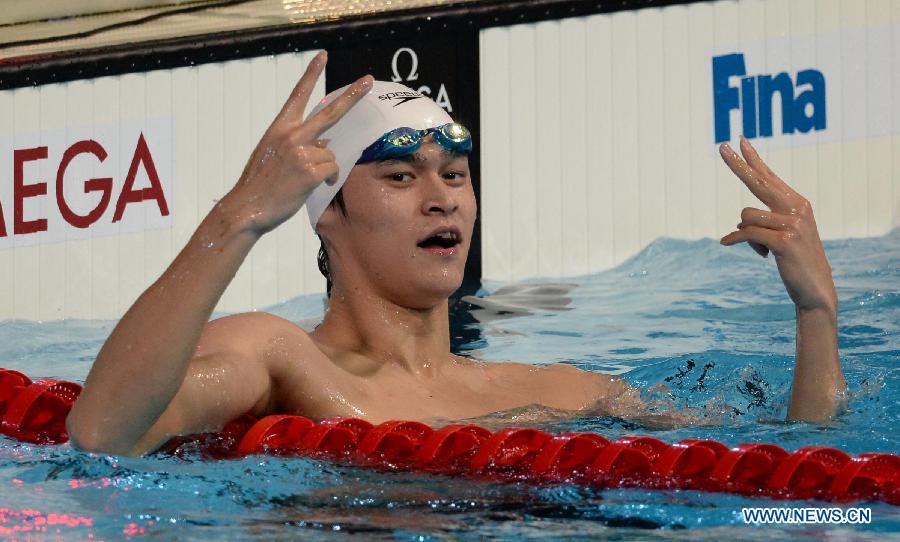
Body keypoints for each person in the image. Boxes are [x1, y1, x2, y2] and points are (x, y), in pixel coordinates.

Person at [66, 52, 846, 456]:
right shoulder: (279, 358)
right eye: (401, 176)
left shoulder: (560, 391)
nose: (442, 198)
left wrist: (817, 316)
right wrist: (237, 217)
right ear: (324, 217)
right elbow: (104, 432)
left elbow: (795, 490)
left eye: (457, 175)